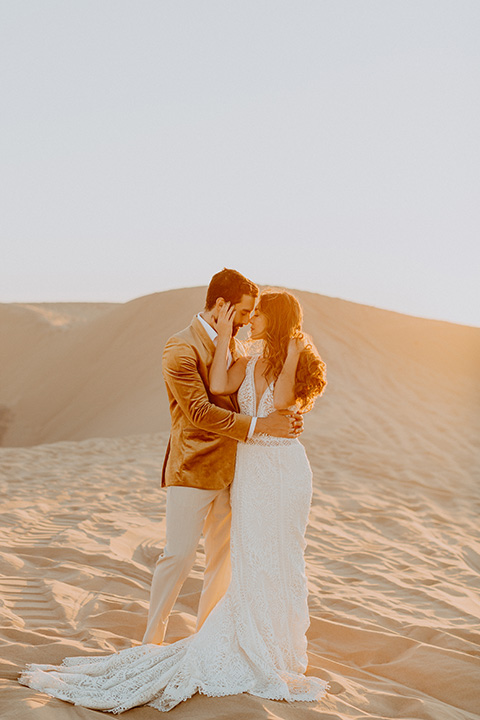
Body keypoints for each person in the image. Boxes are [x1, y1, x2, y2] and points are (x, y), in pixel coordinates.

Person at [19, 287, 328, 713]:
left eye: (256, 315)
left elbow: (285, 404)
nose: (248, 320)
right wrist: (224, 339)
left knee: (283, 556)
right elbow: (216, 389)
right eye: (245, 313)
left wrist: (293, 352)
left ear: (273, 321)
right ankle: (202, 639)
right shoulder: (234, 354)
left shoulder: (281, 356)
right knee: (246, 553)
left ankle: (278, 649)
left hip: (285, 472)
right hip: (249, 470)